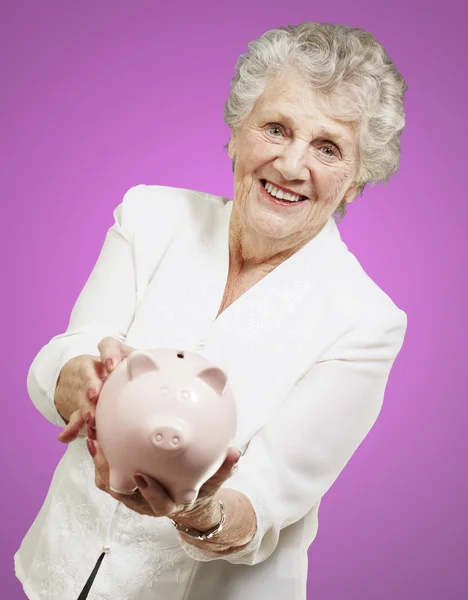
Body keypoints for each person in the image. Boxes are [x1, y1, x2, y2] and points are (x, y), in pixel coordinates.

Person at [15, 21, 408, 600]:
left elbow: (266, 499)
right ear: (236, 134)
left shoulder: (366, 322)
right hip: (60, 575)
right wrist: (88, 387)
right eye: (276, 128)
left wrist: (195, 507)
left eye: (328, 147)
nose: (293, 165)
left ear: (354, 182)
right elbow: (68, 352)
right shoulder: (150, 217)